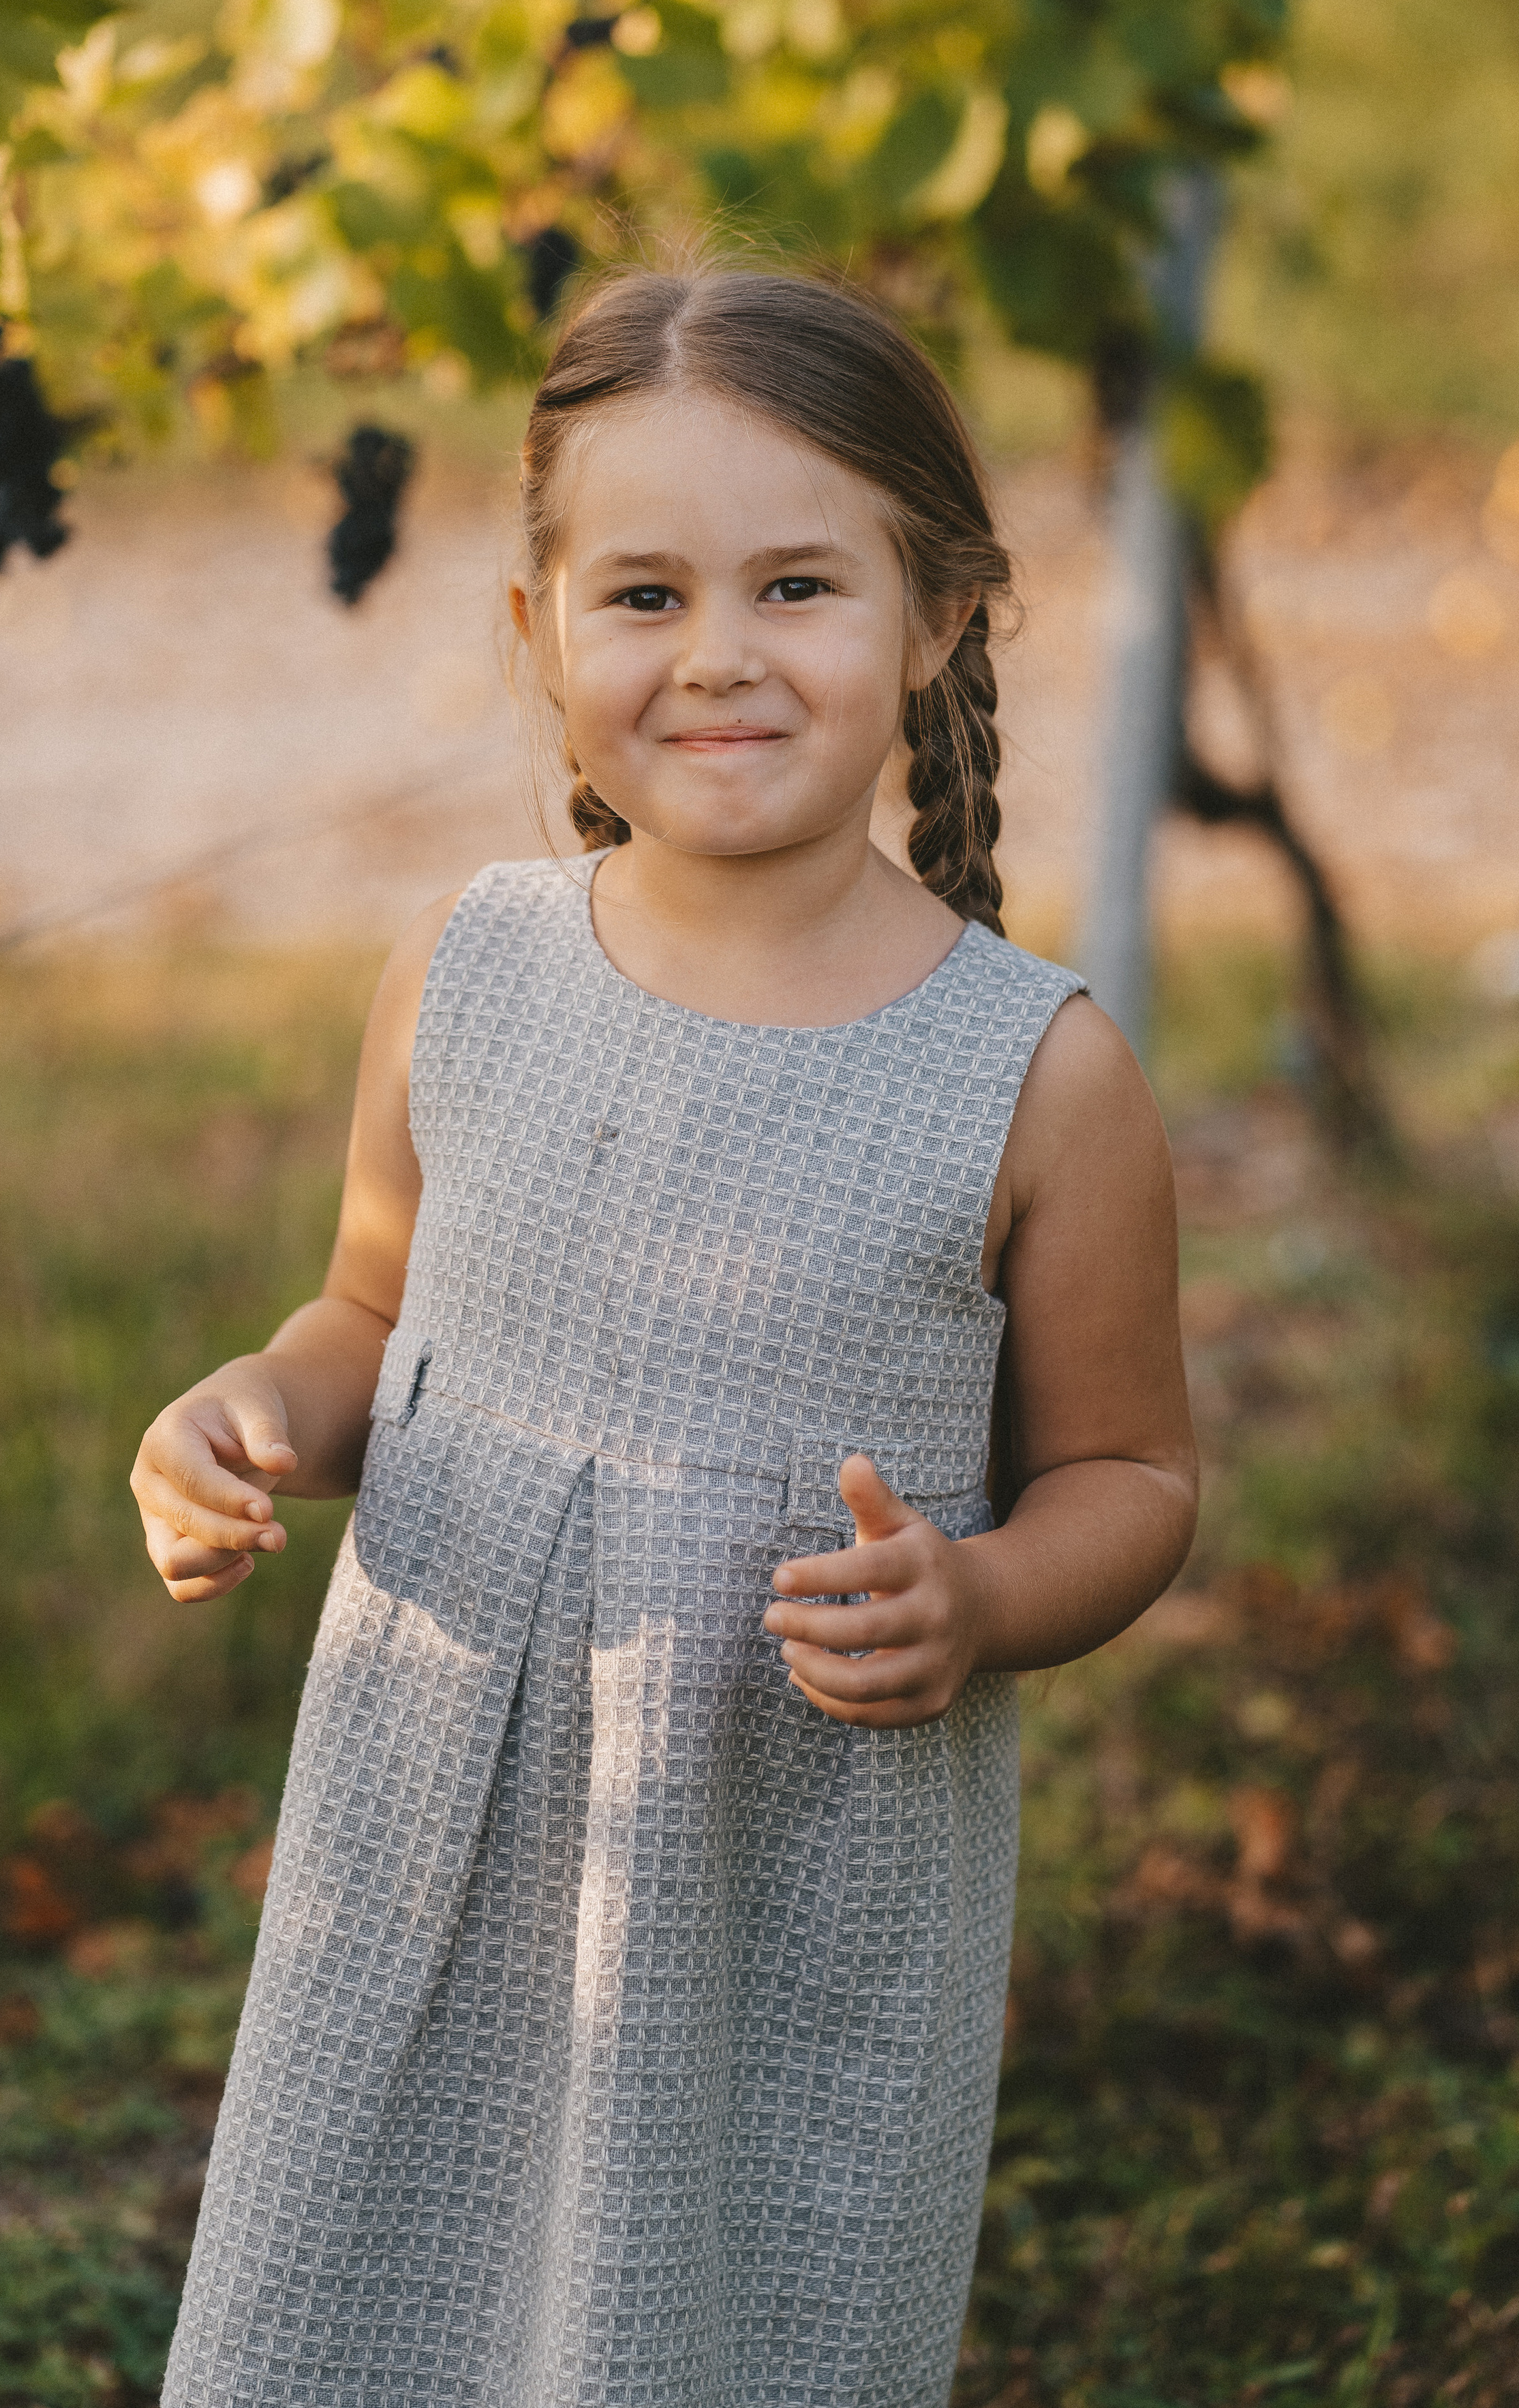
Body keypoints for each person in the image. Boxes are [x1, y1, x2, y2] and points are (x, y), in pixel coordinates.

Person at [132, 264, 1197, 2407]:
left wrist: (984, 1596)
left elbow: (1136, 1478)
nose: (717, 655)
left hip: (777, 1872)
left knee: (719, 2336)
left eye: (797, 582)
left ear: (940, 619)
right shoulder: (469, 963)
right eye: (642, 594)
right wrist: (252, 1411)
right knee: (360, 2314)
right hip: (435, 1837)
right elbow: (371, 1309)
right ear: (537, 637)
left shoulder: (1035, 1074)